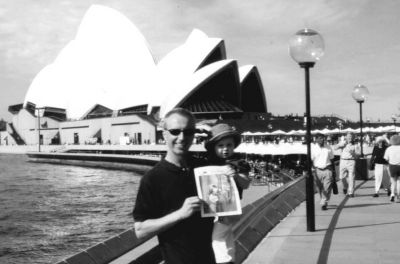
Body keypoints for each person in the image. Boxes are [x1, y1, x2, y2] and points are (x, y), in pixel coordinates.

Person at [132, 108, 216, 264]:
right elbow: (140, 230)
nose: (182, 138)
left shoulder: (205, 169)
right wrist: (180, 214)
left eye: (189, 131)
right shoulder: (152, 179)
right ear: (164, 134)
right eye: (175, 131)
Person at [204, 123, 251, 264]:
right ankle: (231, 259)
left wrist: (236, 175)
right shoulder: (209, 162)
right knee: (226, 236)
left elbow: (246, 184)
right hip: (215, 207)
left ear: (234, 146)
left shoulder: (239, 163)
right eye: (220, 145)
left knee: (217, 238)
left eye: (229, 145)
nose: (225, 149)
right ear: (214, 147)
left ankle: (224, 262)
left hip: (230, 207)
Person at [311, 134, 335, 210]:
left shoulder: (328, 147)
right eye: (320, 138)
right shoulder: (313, 148)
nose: (322, 140)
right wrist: (312, 169)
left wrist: (333, 170)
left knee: (327, 187)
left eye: (323, 138)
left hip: (327, 169)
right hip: (317, 170)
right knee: (319, 188)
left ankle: (324, 202)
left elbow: (332, 159)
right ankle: (324, 200)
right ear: (316, 139)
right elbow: (311, 160)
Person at [336, 133, 359, 197]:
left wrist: (353, 153)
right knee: (341, 177)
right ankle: (345, 187)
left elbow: (357, 156)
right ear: (346, 137)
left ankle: (351, 192)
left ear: (353, 138)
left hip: (351, 161)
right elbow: (335, 148)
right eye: (348, 136)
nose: (350, 138)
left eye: (351, 137)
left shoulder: (355, 145)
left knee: (351, 177)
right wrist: (341, 145)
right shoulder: (342, 143)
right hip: (343, 161)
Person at [384, 135, 400, 202]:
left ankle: (392, 194)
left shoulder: (389, 148)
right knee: (399, 181)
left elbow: (386, 158)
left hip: (392, 166)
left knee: (393, 182)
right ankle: (398, 195)